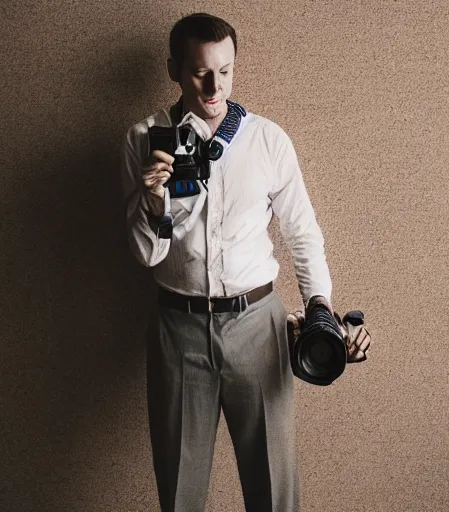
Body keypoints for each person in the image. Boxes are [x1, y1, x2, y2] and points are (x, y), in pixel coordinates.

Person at [121, 12, 337, 512]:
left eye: (226, 70)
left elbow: (302, 233)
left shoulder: (267, 140)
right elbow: (145, 253)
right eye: (200, 72)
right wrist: (154, 198)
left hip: (258, 326)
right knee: (180, 491)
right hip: (177, 327)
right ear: (175, 69)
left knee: (273, 490)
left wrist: (320, 307)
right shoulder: (143, 138)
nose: (214, 85)